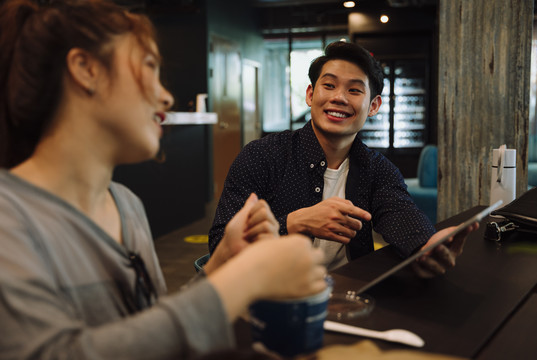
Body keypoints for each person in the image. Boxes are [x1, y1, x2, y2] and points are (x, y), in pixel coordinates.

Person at [0, 1, 327, 359]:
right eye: (150, 67)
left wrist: (221, 264)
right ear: (85, 68)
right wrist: (248, 277)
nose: (166, 95)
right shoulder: (10, 218)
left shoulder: (126, 204)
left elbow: (147, 331)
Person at [209, 41, 478, 276]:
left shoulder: (377, 169)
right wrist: (295, 222)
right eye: (329, 85)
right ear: (311, 94)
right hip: (270, 294)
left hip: (349, 295)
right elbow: (221, 241)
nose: (339, 98)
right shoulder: (262, 156)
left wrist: (427, 243)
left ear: (373, 106)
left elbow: (400, 213)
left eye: (354, 90)